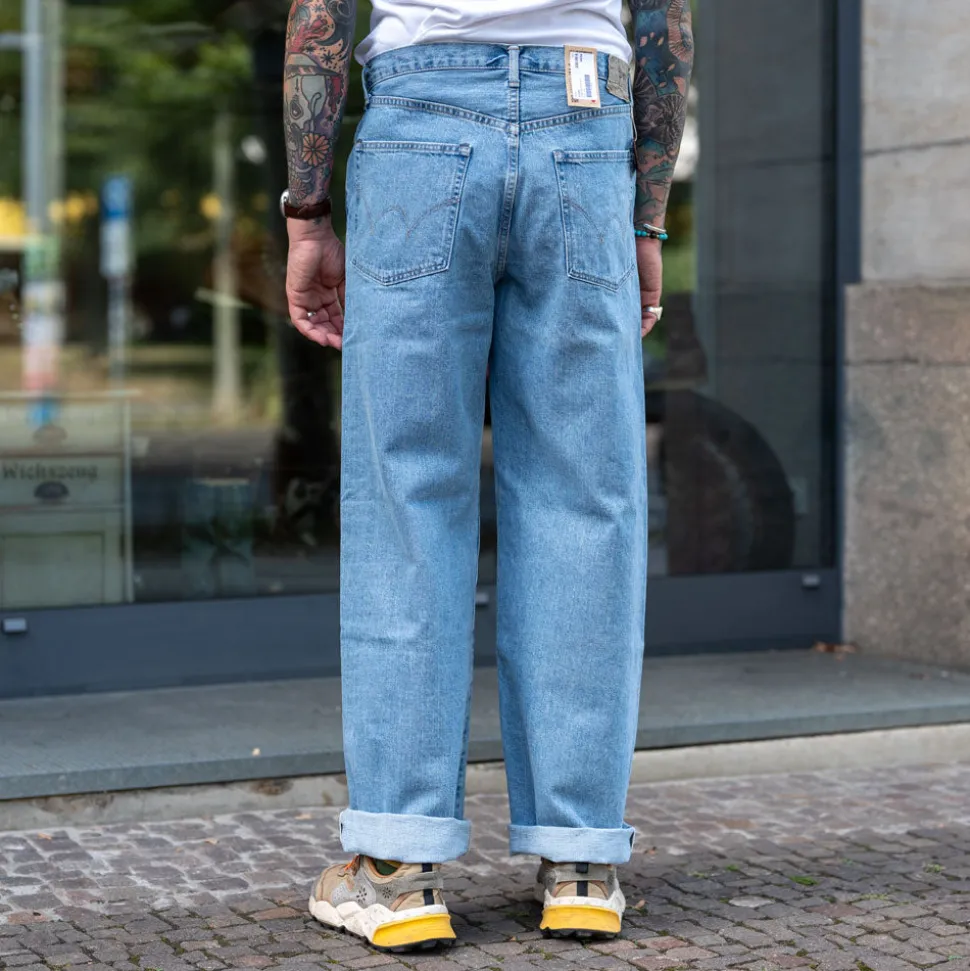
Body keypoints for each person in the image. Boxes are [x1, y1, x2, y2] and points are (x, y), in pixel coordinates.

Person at [282, 0, 693, 951]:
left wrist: (307, 210)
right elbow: (664, 21)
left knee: (408, 497)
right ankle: (581, 863)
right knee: (584, 503)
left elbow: (322, 14)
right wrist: (645, 217)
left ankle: (397, 870)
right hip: (585, 129)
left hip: (420, 124)